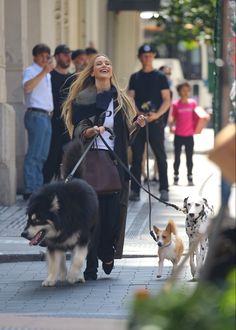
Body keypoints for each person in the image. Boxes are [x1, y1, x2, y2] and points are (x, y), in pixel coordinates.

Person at [62, 54, 145, 280]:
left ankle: (107, 252)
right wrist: (90, 131)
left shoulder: (120, 99)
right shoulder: (83, 98)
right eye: (99, 63)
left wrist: (136, 125)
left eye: (108, 63)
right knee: (90, 218)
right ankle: (90, 266)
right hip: (89, 164)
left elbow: (125, 136)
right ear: (92, 71)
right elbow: (78, 129)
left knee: (111, 218)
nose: (104, 65)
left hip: (114, 164)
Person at [128, 44, 171, 202]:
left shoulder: (160, 77)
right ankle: (135, 190)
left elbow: (167, 100)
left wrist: (157, 115)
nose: (147, 58)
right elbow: (130, 97)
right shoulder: (135, 77)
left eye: (150, 55)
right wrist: (137, 113)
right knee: (137, 157)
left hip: (155, 122)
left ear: (153, 56)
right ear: (140, 57)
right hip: (139, 122)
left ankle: (164, 188)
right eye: (144, 55)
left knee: (160, 156)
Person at [22, 43, 54, 200]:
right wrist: (43, 72)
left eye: (47, 56)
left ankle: (37, 188)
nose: (44, 59)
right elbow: (27, 88)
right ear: (35, 57)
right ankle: (30, 188)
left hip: (46, 116)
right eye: (41, 56)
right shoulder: (31, 71)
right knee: (34, 153)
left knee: (42, 155)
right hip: (36, 115)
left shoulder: (47, 74)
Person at [43, 44, 73, 183]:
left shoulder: (73, 78)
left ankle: (65, 190)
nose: (68, 57)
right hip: (53, 122)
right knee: (51, 158)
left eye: (69, 54)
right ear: (56, 56)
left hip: (69, 124)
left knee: (68, 158)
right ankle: (46, 189)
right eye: (64, 54)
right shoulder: (49, 76)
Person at [168, 81, 198, 186]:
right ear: (179, 92)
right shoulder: (176, 104)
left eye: (187, 90)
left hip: (189, 135)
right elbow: (173, 117)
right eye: (183, 90)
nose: (185, 92)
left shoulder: (193, 103)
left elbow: (197, 117)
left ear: (189, 91)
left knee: (190, 158)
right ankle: (176, 175)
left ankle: (190, 176)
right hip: (178, 135)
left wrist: (198, 127)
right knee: (177, 157)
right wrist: (170, 126)